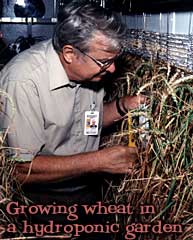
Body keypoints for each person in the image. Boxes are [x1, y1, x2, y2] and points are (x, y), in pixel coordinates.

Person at [0, 2, 145, 239]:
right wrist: (98, 161)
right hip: (37, 204)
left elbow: (85, 124)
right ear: (69, 54)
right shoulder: (23, 81)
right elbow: (19, 169)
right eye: (105, 62)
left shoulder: (87, 73)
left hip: (84, 195)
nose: (111, 70)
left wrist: (122, 107)